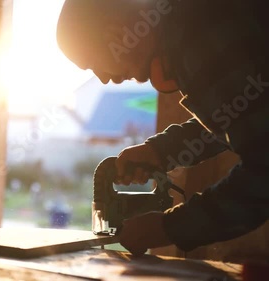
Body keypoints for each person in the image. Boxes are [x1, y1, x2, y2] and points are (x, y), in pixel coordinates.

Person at [57, 0, 269, 255]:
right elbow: (243, 115)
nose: (102, 78)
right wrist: (161, 151)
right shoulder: (190, 25)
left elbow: (263, 168)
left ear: (116, 34)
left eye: (92, 63)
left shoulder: (199, 37)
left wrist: (171, 227)